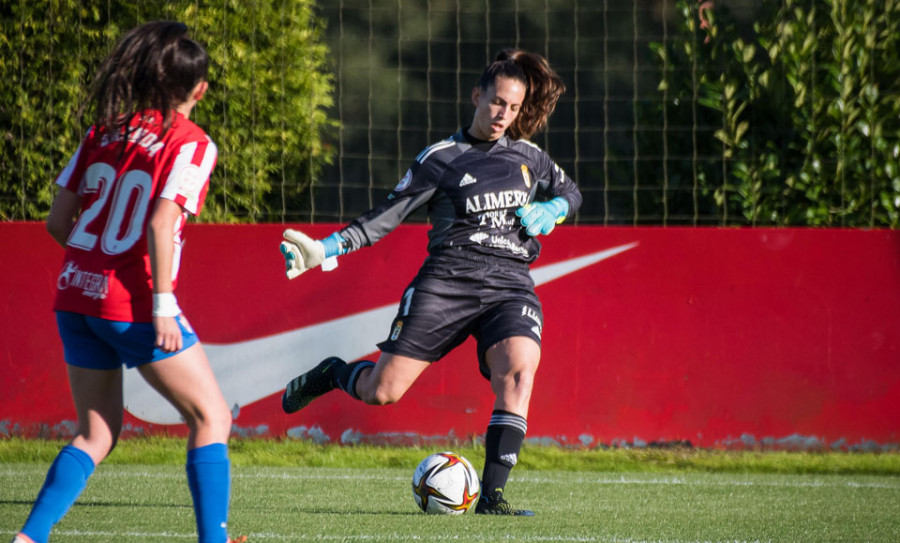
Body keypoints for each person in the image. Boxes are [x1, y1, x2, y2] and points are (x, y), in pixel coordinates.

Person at [279, 48, 582, 516]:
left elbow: (571, 191)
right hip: (446, 282)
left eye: (515, 107)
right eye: (497, 102)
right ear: (476, 95)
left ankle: (493, 497)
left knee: (520, 373)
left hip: (509, 284)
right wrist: (325, 249)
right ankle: (334, 372)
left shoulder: (530, 157)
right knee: (382, 393)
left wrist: (555, 209)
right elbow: (384, 218)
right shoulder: (440, 159)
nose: (504, 115)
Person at [11, 22, 246, 543]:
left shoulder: (103, 130)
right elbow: (161, 222)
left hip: (74, 296)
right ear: (199, 90)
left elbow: (57, 222)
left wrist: (90, 268)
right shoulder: (192, 142)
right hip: (133, 303)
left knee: (96, 432)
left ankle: (29, 538)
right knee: (211, 417)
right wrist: (161, 304)